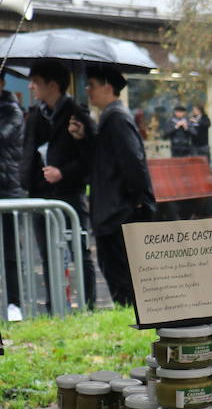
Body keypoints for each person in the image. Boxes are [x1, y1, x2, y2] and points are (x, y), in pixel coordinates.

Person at [70, 65, 155, 307]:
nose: (88, 91)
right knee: (117, 273)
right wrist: (84, 137)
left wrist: (138, 199)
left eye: (92, 85)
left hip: (118, 213)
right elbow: (102, 161)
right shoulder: (110, 117)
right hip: (113, 211)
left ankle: (130, 316)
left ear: (108, 87)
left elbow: (133, 161)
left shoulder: (116, 118)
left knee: (122, 277)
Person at [20, 58, 96, 308]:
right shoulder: (35, 114)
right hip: (39, 194)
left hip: (69, 194)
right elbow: (28, 151)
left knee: (78, 249)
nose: (31, 87)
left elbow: (90, 157)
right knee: (47, 254)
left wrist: (63, 172)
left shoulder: (76, 114)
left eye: (35, 82)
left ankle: (88, 304)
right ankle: (55, 305)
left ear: (52, 85)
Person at [0, 88, 23, 319]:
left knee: (11, 251)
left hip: (8, 189)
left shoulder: (11, 110)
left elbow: (4, 135)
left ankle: (15, 304)